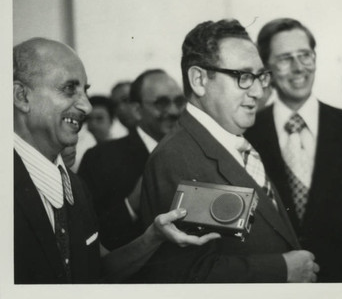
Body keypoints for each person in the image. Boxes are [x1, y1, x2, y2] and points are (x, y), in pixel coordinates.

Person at [13, 37, 219, 284]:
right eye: (69, 89)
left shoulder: (73, 186)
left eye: (85, 91)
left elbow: (97, 269)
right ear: (21, 96)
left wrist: (154, 235)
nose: (86, 107)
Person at [134, 19, 319, 283]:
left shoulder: (231, 142)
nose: (257, 91)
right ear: (199, 80)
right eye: (243, 77)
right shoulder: (179, 157)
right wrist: (281, 269)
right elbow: (189, 272)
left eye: (260, 76)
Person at [245, 18, 342, 282]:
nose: (298, 68)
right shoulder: (250, 132)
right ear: (266, 70)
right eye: (285, 59)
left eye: (305, 56)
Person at [78, 69, 186, 250]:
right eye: (162, 103)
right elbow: (85, 234)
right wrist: (130, 206)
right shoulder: (100, 158)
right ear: (137, 110)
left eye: (179, 102)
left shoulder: (192, 151)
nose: (174, 111)